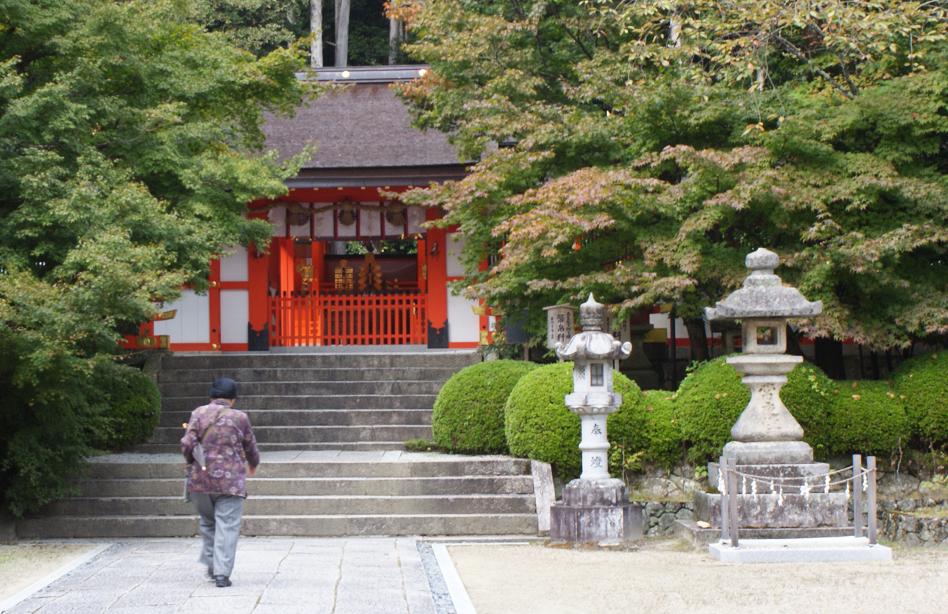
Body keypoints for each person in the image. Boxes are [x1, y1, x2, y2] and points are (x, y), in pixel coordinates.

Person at [180, 377, 260, 588]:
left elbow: (187, 443)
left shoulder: (198, 413)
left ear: (211, 397)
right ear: (232, 399)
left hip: (201, 481)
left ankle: (212, 564)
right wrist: (253, 463)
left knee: (208, 523)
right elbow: (250, 445)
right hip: (230, 482)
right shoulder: (240, 417)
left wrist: (190, 461)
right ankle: (222, 573)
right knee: (228, 525)